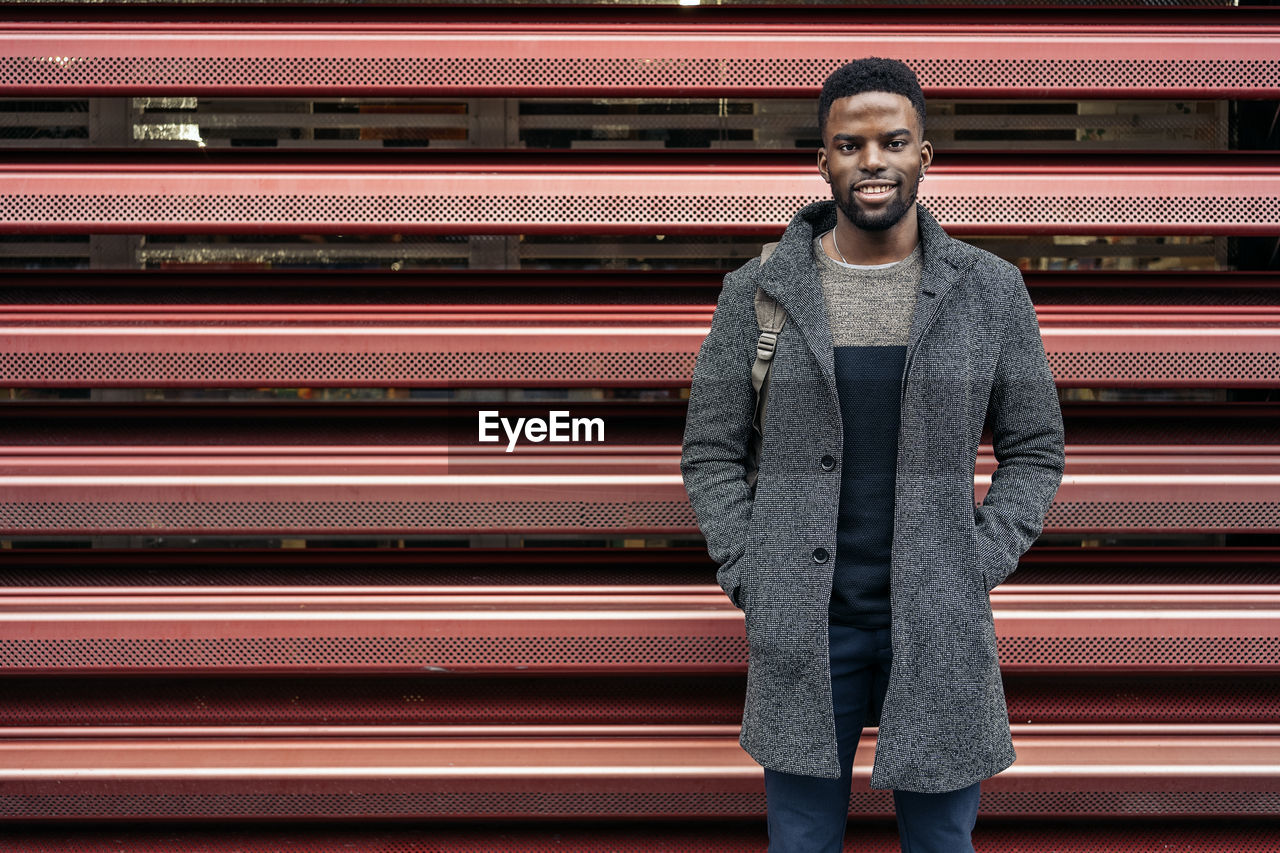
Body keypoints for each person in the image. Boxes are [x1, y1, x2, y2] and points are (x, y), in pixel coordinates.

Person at [680, 58, 1065, 853]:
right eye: (849, 145)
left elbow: (1035, 446)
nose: (872, 162)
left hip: (939, 617)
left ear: (926, 154)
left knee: (941, 843)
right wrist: (751, 568)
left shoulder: (990, 291)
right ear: (822, 162)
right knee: (801, 841)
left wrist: (976, 557)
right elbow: (711, 449)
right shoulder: (758, 290)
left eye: (893, 142)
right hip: (805, 623)